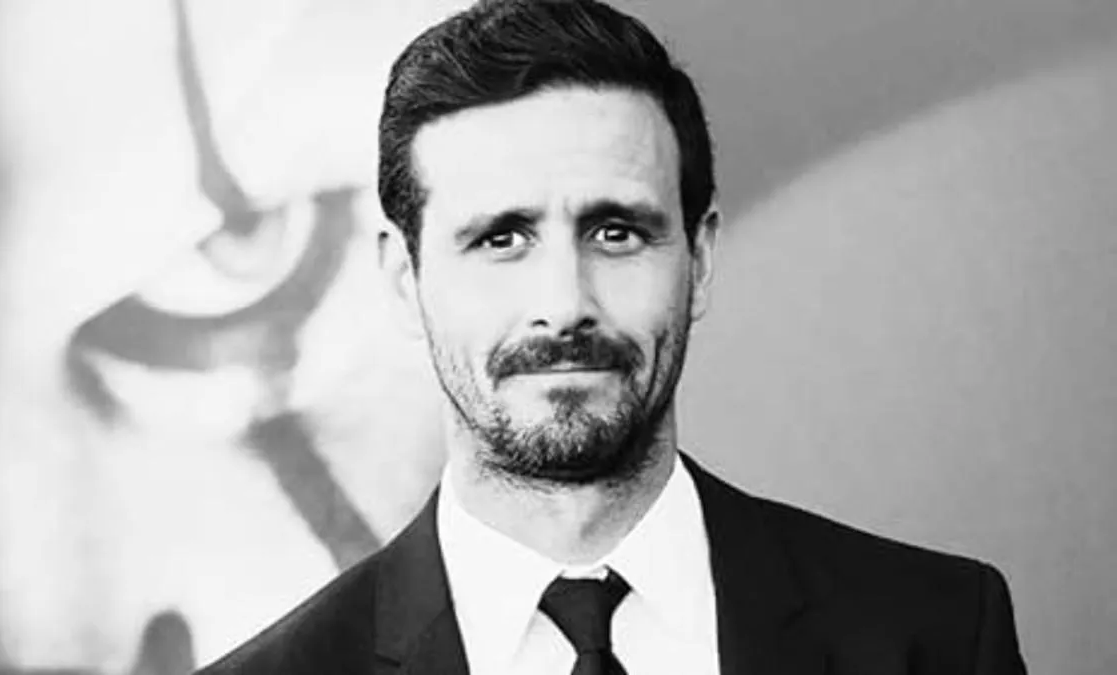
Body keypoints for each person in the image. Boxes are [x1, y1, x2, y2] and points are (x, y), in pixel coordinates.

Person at [198, 0, 1027, 673]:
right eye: (501, 238)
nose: (565, 304)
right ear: (403, 279)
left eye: (616, 232)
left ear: (700, 256)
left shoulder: (940, 635)